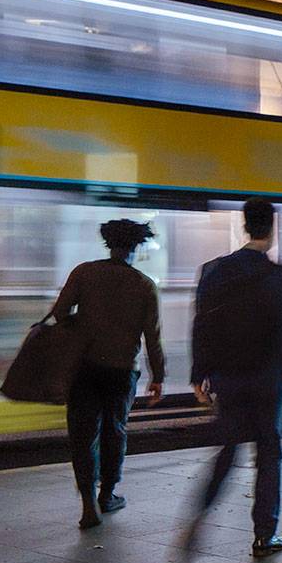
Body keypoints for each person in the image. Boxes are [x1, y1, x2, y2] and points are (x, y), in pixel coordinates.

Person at [185, 199, 282, 558]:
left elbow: (202, 324)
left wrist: (200, 374)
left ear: (244, 227)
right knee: (269, 454)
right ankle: (264, 535)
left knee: (227, 450)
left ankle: (202, 511)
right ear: (270, 230)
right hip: (269, 382)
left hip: (229, 378)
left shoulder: (213, 271)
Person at [49, 219, 164, 529]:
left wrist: (85, 328)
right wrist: (158, 377)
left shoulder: (84, 272)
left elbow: (59, 313)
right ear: (136, 248)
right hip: (122, 371)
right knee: (115, 430)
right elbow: (152, 337)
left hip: (84, 367)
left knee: (83, 435)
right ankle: (108, 494)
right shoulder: (143, 285)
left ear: (107, 243)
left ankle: (88, 504)